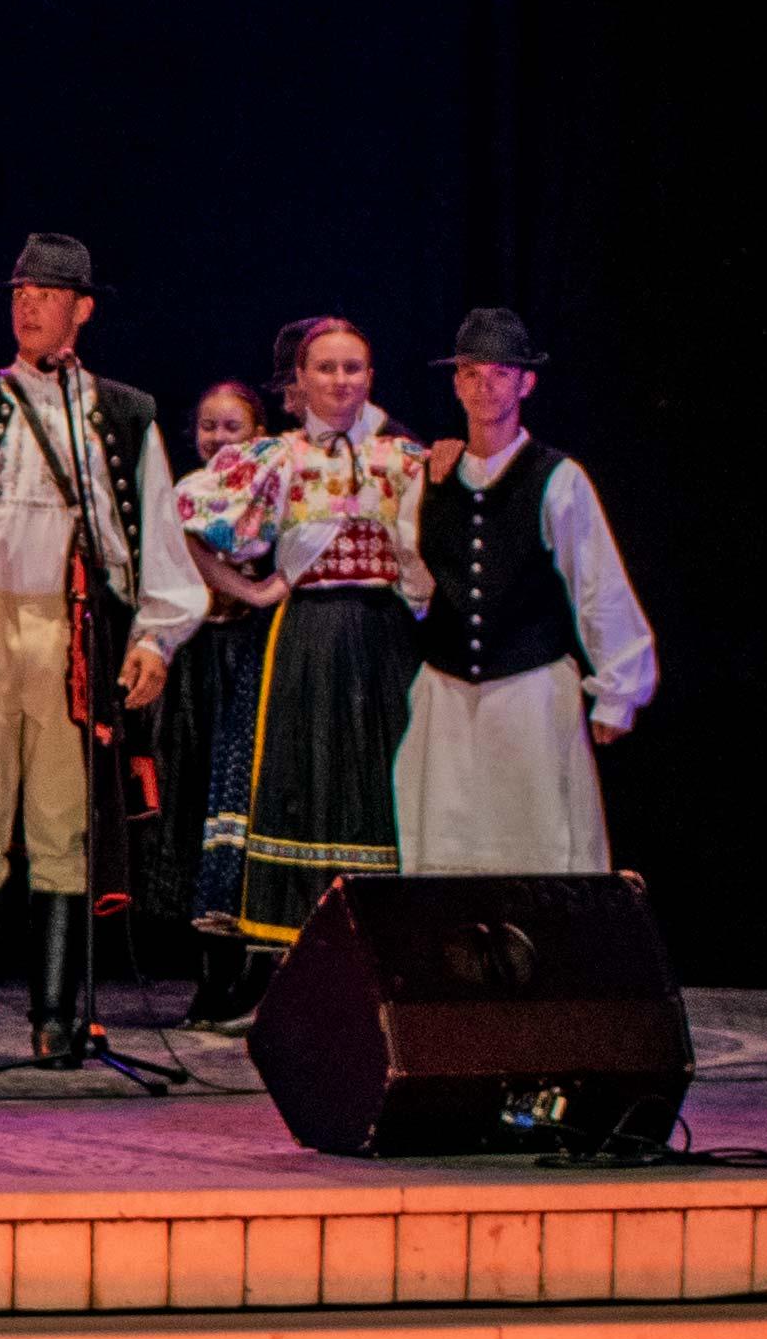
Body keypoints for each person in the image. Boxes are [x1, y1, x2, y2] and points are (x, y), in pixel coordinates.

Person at [0, 230, 202, 1072]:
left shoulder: (124, 412)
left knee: (61, 824)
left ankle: (53, 1017)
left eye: (46, 293)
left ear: (82, 309)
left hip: (72, 629)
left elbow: (156, 534)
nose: (28, 305)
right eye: (19, 292)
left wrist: (155, 637)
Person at [171, 315, 436, 971]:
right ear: (301, 378)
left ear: (370, 377)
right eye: (325, 367)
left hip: (382, 639)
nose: (340, 379)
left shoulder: (404, 458)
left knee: (378, 787)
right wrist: (247, 589)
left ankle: (378, 961)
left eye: (352, 368)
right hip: (305, 637)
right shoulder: (278, 456)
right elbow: (181, 517)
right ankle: (296, 968)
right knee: (301, 783)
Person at [399, 307, 659, 874]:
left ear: (526, 383)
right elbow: (414, 584)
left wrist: (618, 689)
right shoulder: (428, 480)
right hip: (448, 696)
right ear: (456, 384)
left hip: (529, 691)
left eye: (500, 373)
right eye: (472, 373)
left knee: (536, 845)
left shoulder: (557, 478)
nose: (484, 386)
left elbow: (598, 584)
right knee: (447, 847)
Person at [151, 377, 271, 1022]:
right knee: (197, 805)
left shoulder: (275, 488)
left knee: (246, 809)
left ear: (258, 434)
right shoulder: (186, 492)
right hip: (198, 660)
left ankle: (257, 973)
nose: (218, 438)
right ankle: (211, 973)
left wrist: (255, 591)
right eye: (208, 426)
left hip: (254, 655)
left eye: (233, 427)